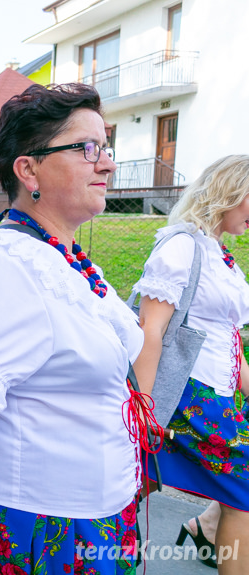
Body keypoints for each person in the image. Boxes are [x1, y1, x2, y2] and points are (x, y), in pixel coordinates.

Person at [0, 83, 142, 575]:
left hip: (97, 519)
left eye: (107, 146)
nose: (107, 163)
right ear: (28, 168)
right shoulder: (3, 263)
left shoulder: (62, 256)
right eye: (87, 148)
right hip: (34, 528)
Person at [133, 155, 249, 571]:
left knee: (133, 481)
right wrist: (143, 407)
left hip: (219, 391)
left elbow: (228, 339)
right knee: (244, 491)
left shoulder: (219, 254)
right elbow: (151, 330)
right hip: (188, 392)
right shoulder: (182, 245)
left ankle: (88, 535)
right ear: (230, 192)